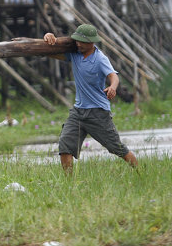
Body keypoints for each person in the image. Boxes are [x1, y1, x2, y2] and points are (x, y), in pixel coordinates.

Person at [43, 24, 137, 173]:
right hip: (78, 112)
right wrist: (48, 38)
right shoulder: (74, 54)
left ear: (92, 42)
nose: (78, 44)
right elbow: (51, 53)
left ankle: (139, 172)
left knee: (117, 148)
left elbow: (113, 76)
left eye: (82, 41)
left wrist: (112, 87)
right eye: (77, 41)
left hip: (98, 113)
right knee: (65, 145)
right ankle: (69, 184)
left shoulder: (100, 58)